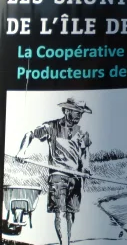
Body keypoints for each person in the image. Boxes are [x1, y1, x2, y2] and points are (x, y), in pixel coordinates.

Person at [16, 97, 92, 245]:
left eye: (81, 113)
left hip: (75, 177)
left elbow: (85, 152)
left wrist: (86, 168)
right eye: (77, 112)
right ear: (66, 110)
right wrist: (22, 151)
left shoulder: (82, 132)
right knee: (60, 212)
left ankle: (66, 242)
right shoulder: (51, 127)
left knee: (71, 214)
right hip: (58, 176)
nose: (79, 116)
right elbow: (30, 134)